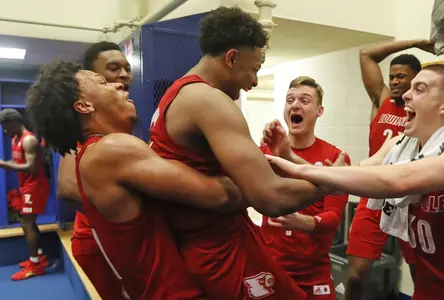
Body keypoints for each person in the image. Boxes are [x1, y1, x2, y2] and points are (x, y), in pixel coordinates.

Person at [265, 64, 444, 300]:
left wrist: (297, 168)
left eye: (419, 89)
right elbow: (350, 175)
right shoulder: (399, 146)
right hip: (429, 291)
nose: (405, 95)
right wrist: (290, 156)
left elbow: (400, 180)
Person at [149, 7, 335, 299]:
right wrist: (330, 182)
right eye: (255, 68)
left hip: (208, 243)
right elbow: (271, 197)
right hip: (217, 252)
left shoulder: (176, 93)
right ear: (232, 58)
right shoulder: (208, 100)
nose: (255, 81)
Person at [26, 61, 244, 299]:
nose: (119, 85)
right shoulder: (110, 150)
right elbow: (222, 196)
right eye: (103, 83)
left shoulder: (94, 153)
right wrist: (259, 172)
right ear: (84, 106)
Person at [347, 39, 444, 299]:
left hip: (412, 197)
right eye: (392, 76)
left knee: (420, 269)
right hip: (376, 191)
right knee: (357, 271)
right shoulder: (383, 100)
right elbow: (366, 53)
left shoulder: (429, 111)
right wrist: (420, 42)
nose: (395, 82)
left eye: (402, 77)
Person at [259, 76, 351, 299]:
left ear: (319, 111)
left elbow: (333, 217)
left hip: (313, 271)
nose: (295, 105)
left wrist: (305, 223)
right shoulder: (264, 151)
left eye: (304, 100)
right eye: (290, 100)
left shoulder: (335, 158)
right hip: (270, 265)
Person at [56, 41, 132, 299]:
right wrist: (124, 216)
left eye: (126, 68)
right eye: (113, 69)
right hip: (100, 240)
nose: (123, 75)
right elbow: (67, 189)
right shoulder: (84, 127)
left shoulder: (119, 116)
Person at [0, 109, 50, 281]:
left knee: (27, 222)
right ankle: (39, 256)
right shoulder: (15, 139)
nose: (5, 132)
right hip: (26, 186)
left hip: (35, 186)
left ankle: (35, 265)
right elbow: (18, 162)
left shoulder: (28, 140)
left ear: (14, 122)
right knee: (26, 221)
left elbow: (31, 167)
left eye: (6, 127)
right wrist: (8, 164)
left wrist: (4, 165)